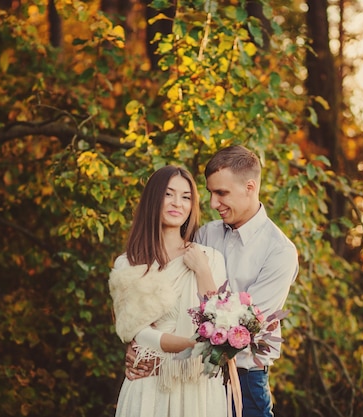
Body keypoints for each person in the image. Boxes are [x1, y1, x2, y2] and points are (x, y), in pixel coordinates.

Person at [126, 146, 299, 417]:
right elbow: (168, 301)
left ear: (250, 187)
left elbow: (239, 335)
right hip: (194, 382)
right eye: (209, 193)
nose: (212, 203)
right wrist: (141, 348)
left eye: (221, 193)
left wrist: (160, 360)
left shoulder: (279, 252)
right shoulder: (207, 234)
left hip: (244, 381)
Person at [109, 165, 228, 417]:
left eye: (186, 197)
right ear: (154, 198)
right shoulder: (128, 264)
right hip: (149, 384)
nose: (178, 203)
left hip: (198, 388)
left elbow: (218, 322)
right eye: (168, 194)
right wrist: (189, 348)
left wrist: (203, 271)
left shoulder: (210, 258)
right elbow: (137, 332)